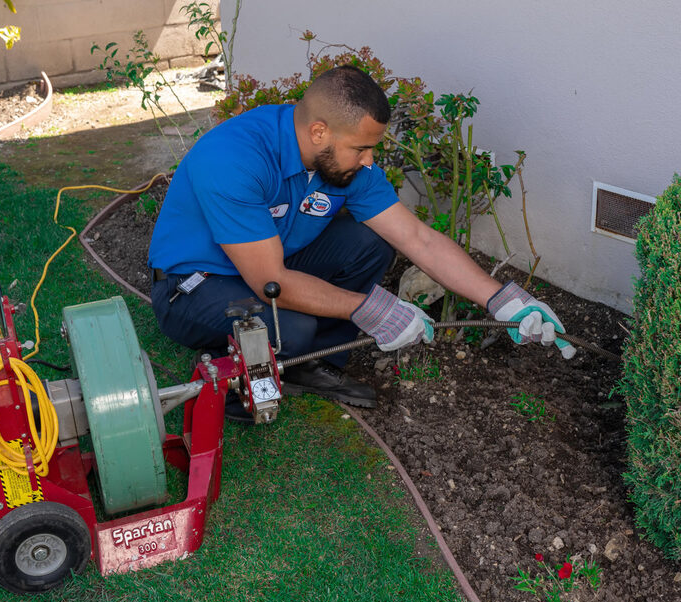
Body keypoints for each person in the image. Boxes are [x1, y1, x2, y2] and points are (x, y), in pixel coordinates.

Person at [148, 65, 574, 420]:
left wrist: (502, 300)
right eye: (362, 149)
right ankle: (235, 383)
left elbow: (417, 237)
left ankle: (310, 365)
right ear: (319, 131)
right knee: (290, 328)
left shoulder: (343, 161)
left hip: (271, 261)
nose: (370, 160)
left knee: (367, 243)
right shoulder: (235, 158)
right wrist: (369, 308)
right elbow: (269, 281)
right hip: (194, 284)